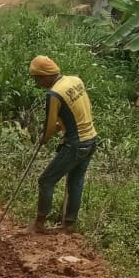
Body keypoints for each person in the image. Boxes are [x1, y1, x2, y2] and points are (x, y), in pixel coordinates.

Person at [29, 55, 97, 234]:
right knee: (75, 181)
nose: (37, 82)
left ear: (45, 75)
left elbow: (49, 126)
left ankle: (39, 224)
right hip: (91, 140)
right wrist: (61, 125)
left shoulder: (54, 94)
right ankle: (69, 224)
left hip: (75, 144)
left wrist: (44, 138)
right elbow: (83, 109)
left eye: (37, 78)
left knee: (46, 180)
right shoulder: (75, 80)